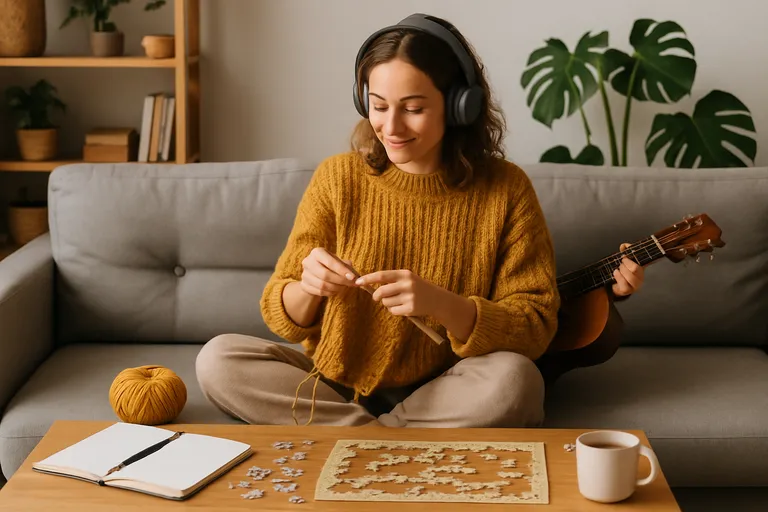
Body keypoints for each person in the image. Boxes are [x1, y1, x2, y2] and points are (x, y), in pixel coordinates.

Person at [195, 13, 645, 429]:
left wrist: (444, 304)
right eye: (377, 104)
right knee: (218, 359)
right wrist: (308, 289)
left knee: (516, 381)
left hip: (445, 392)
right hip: (334, 387)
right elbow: (283, 317)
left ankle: (355, 441)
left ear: (458, 107)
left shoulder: (506, 190)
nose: (390, 126)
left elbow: (534, 326)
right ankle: (384, 441)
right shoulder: (337, 178)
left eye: (413, 108)